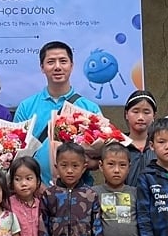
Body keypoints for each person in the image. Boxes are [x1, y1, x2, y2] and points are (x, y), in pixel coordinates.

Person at [13, 41, 102, 185]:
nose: (57, 67)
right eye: (51, 62)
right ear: (42, 68)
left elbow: (100, 159)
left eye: (63, 61)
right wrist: (37, 186)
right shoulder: (26, 107)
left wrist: (79, 162)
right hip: (34, 193)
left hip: (79, 193)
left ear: (71, 66)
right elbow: (17, 155)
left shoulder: (90, 108)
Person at [122, 90, 156, 187]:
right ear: (126, 114)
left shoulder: (159, 146)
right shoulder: (118, 144)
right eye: (135, 111)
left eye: (146, 112)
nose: (141, 117)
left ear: (154, 115)